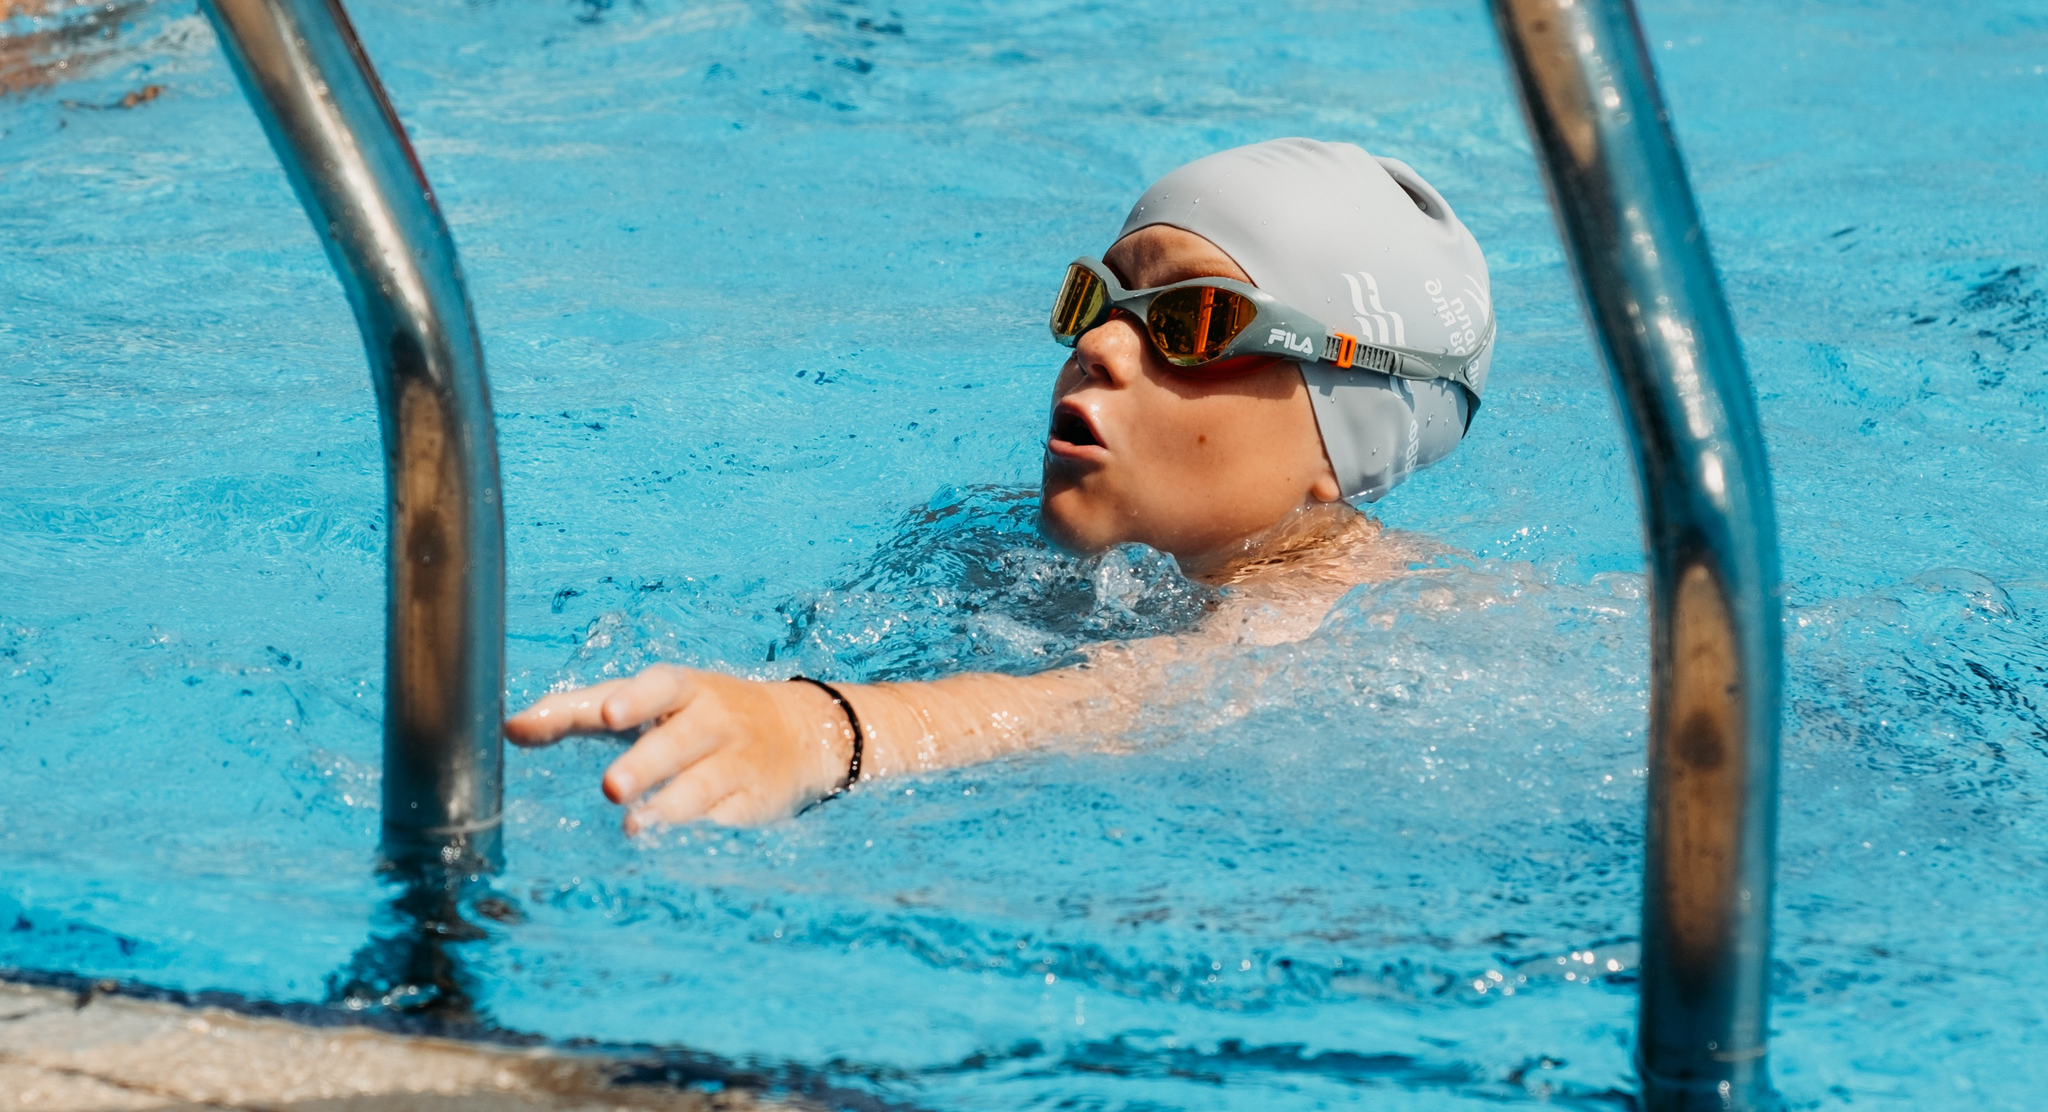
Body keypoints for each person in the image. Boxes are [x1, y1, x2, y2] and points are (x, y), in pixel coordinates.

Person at [508, 138, 1498, 831]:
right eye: (1096, 302)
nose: (1100, 347)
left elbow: (1114, 704)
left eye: (1192, 321)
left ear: (1347, 433)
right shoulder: (982, 532)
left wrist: (818, 731)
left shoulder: (1337, 622)